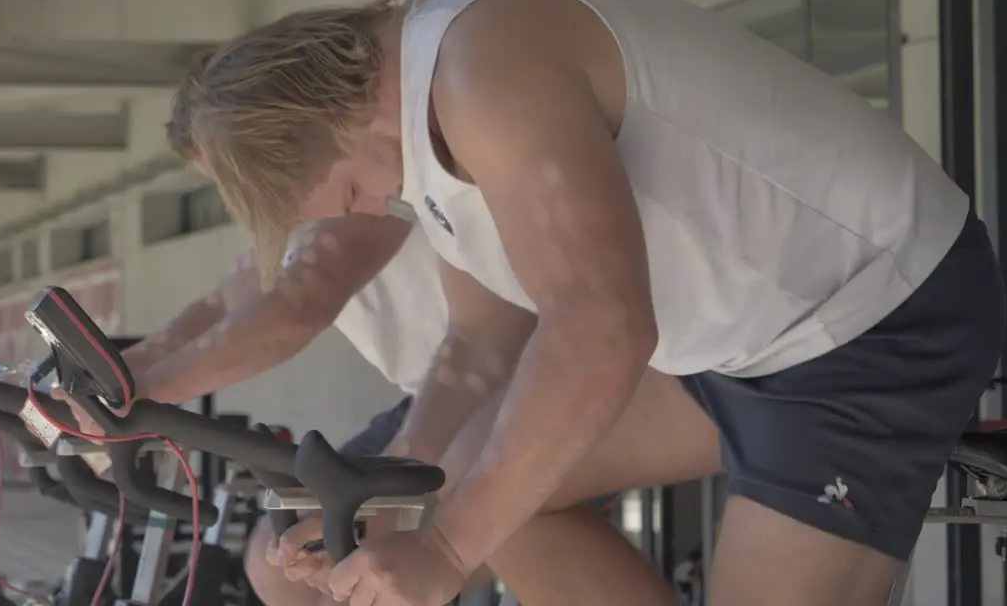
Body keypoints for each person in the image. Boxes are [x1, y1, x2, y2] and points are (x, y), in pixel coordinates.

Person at [173, 0, 1006, 606]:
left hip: (866, 323)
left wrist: (449, 553)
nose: (372, 210)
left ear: (328, 119)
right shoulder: (428, 112)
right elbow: (476, 350)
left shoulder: (479, 70)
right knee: (499, 491)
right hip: (739, 346)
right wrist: (390, 501)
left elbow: (601, 332)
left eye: (349, 196)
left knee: (485, 505)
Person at [62, 117, 658, 605]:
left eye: (233, 173)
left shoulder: (362, 192)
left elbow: (301, 304)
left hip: (512, 378)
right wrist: (121, 375)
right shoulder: (290, 219)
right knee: (280, 562)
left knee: (386, 566)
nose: (236, 193)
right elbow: (221, 302)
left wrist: (150, 390)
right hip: (438, 390)